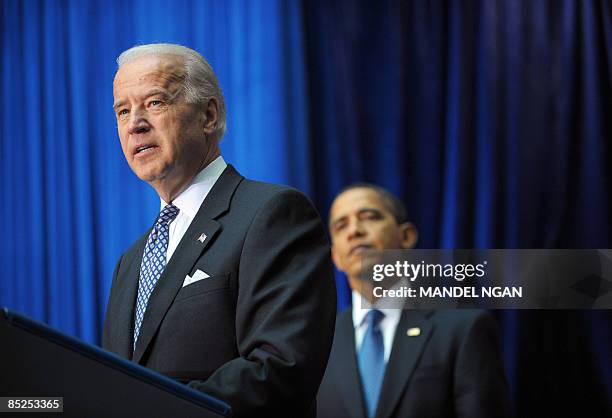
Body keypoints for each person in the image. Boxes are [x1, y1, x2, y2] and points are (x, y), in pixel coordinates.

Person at [102, 43, 336, 418]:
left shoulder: (272, 214)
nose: (135, 124)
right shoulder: (129, 263)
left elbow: (280, 368)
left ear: (208, 115)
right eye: (123, 110)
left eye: (155, 103)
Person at [317, 183, 510, 418]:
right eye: (341, 225)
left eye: (369, 217)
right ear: (335, 256)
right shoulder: (319, 342)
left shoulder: (463, 328)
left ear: (406, 236)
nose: (354, 231)